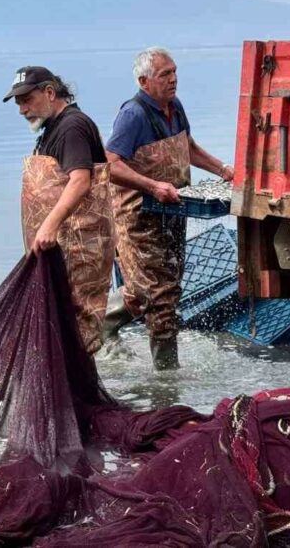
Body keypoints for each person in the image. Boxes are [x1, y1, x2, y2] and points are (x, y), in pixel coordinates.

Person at [103, 47, 234, 370]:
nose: (173, 79)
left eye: (174, 72)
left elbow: (188, 147)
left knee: (169, 289)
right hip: (138, 217)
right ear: (144, 81)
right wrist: (152, 186)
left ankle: (103, 323)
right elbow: (110, 164)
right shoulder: (133, 115)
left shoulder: (175, 107)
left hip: (173, 211)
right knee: (156, 297)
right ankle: (167, 378)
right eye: (165, 74)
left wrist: (223, 170)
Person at [4, 66, 115, 355]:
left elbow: (80, 181)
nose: (22, 110)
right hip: (62, 248)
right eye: (18, 104)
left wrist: (49, 225)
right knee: (61, 326)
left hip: (81, 248)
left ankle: (79, 382)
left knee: (77, 327)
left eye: (27, 100)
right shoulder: (51, 129)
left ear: (50, 92)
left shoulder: (72, 127)